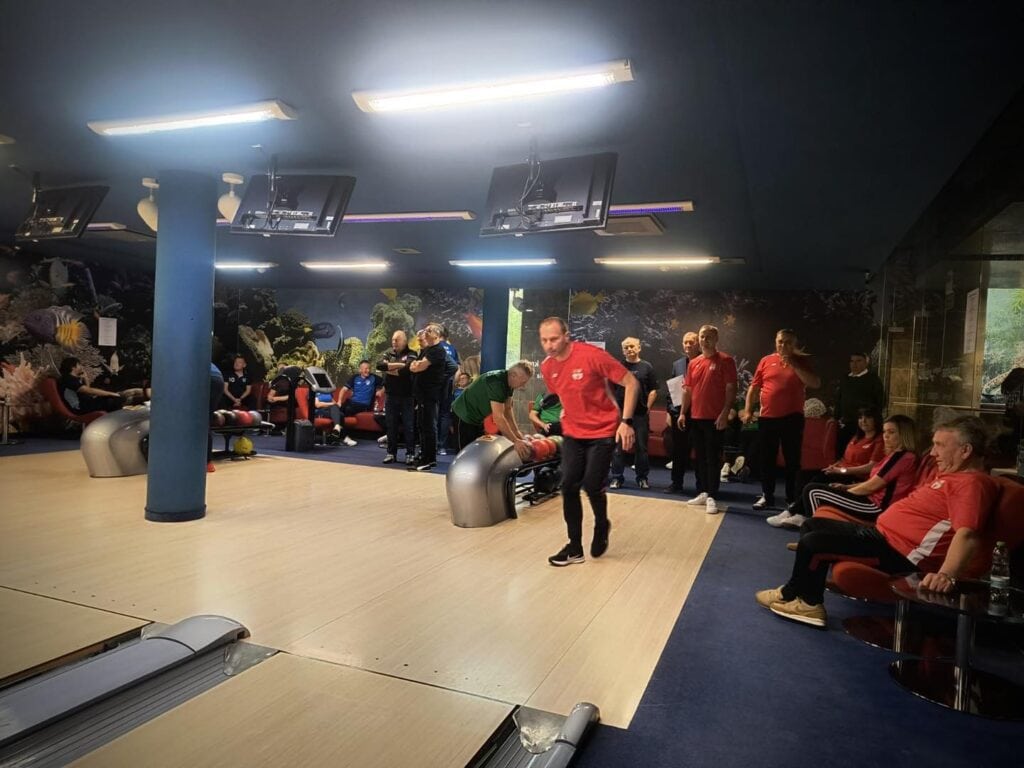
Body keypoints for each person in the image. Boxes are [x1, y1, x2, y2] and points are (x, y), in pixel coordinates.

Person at [755, 416, 997, 628]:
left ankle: (809, 605)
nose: (933, 453)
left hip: (903, 556)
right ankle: (793, 591)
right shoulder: (953, 476)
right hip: (884, 537)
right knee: (813, 525)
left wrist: (946, 575)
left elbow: (967, 534)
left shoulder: (972, 484)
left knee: (814, 543)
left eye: (940, 445)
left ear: (965, 451)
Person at [539, 317, 638, 567]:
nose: (549, 345)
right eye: (544, 340)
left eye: (554, 339)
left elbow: (631, 382)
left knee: (592, 485)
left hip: (602, 431)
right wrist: (564, 408)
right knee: (568, 485)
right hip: (573, 432)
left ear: (566, 336)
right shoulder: (547, 366)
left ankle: (602, 524)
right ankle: (574, 548)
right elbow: (562, 392)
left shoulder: (591, 355)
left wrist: (626, 422)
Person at [767, 414, 918, 529]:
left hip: (875, 507)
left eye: (891, 432)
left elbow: (871, 486)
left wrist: (844, 491)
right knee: (811, 480)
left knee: (813, 491)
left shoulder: (903, 457)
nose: (886, 436)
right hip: (865, 494)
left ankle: (810, 527)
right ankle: (808, 527)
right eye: (885, 431)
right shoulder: (887, 453)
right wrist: (844, 487)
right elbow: (871, 481)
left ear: (904, 434)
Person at [742, 329, 820, 512]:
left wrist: (794, 364)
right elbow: (754, 388)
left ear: (794, 344)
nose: (783, 345)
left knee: (792, 460)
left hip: (792, 418)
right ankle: (767, 496)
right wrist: (748, 410)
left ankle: (791, 498)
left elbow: (815, 383)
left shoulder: (802, 361)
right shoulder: (766, 360)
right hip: (767, 417)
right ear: (776, 342)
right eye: (780, 341)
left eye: (787, 342)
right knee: (766, 459)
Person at [679, 325, 737, 515]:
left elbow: (731, 388)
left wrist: (725, 412)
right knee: (700, 458)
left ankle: (712, 495)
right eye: (702, 337)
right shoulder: (694, 363)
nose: (705, 340)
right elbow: (687, 390)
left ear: (716, 339)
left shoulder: (726, 360)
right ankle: (703, 492)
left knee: (712, 458)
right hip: (696, 417)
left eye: (709, 337)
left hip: (715, 418)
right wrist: (682, 413)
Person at [451, 363, 534, 455]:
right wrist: (515, 441)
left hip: (477, 418)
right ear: (513, 375)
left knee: (477, 451)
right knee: (464, 453)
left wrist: (518, 435)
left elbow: (508, 409)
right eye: (523, 382)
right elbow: (498, 418)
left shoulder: (508, 383)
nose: (524, 386)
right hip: (463, 414)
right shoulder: (496, 382)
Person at [609, 337, 659, 490]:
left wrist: (647, 407)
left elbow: (653, 390)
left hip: (640, 415)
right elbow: (610, 390)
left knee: (641, 448)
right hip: (620, 416)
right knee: (617, 448)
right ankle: (617, 477)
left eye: (632, 346)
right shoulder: (617, 367)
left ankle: (642, 478)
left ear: (639, 348)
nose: (629, 349)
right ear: (622, 350)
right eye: (626, 347)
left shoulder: (647, 367)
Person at [664, 331, 700, 494]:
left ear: (698, 344)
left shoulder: (704, 361)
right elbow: (671, 391)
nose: (688, 345)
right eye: (685, 342)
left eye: (691, 342)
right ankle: (676, 483)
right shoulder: (677, 364)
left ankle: (702, 486)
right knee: (678, 450)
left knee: (700, 451)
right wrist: (670, 412)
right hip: (679, 414)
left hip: (699, 414)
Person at [408, 324, 447, 471]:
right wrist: (416, 365)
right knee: (422, 426)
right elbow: (413, 365)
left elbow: (419, 367)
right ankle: (424, 455)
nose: (426, 332)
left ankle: (429, 459)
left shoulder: (438, 350)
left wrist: (417, 365)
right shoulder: (427, 350)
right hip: (422, 395)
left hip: (430, 394)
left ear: (437, 335)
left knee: (429, 427)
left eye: (429, 330)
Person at [377, 330, 418, 465]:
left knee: (408, 426)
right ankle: (391, 453)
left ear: (404, 341)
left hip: (407, 396)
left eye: (397, 340)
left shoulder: (412, 353)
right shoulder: (388, 353)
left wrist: (389, 368)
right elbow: (380, 365)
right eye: (393, 340)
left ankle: (410, 454)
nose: (394, 342)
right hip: (391, 395)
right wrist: (400, 365)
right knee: (391, 426)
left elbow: (407, 370)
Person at [834, 351, 885, 459]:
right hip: (846, 423)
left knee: (861, 452)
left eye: (858, 361)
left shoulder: (873, 379)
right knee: (842, 451)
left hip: (864, 424)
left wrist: (872, 418)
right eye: (852, 361)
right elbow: (838, 399)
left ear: (866, 363)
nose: (854, 364)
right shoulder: (845, 379)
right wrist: (835, 417)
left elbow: (880, 401)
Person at [815, 408, 885, 482]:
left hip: (856, 477)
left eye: (868, 417)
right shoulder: (857, 437)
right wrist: (832, 467)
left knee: (815, 484)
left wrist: (841, 470)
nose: (863, 421)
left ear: (876, 420)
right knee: (817, 477)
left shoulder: (880, 440)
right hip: (841, 472)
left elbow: (872, 467)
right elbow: (844, 459)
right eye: (860, 418)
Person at [335, 360, 383, 446]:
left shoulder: (374, 378)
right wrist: (339, 401)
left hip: (364, 405)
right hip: (351, 402)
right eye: (365, 369)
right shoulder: (355, 377)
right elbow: (343, 390)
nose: (368, 370)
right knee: (336, 410)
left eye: (369, 368)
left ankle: (343, 436)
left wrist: (381, 391)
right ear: (360, 370)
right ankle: (338, 434)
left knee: (347, 410)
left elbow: (387, 383)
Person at [58, 357, 124, 414]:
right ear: (73, 367)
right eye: (79, 365)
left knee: (111, 398)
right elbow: (89, 390)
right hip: (79, 408)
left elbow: (86, 392)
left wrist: (86, 379)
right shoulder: (68, 379)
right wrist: (112, 394)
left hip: (85, 404)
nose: (81, 367)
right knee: (111, 400)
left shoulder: (73, 378)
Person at [436, 325, 460, 455]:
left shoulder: (435, 347)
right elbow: (457, 369)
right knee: (445, 414)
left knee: (433, 413)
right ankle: (442, 446)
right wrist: (454, 384)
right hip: (449, 384)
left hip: (435, 384)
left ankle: (431, 445)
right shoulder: (452, 349)